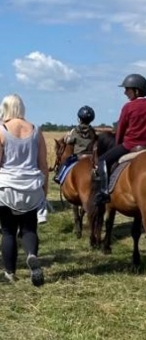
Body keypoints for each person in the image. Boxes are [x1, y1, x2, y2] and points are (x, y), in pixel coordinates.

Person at [0, 94, 48, 286]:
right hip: (31, 188)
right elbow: (43, 164)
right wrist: (45, 190)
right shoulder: (36, 130)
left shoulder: (2, 130)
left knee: (8, 231)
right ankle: (31, 255)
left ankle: (10, 272)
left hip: (7, 188)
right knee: (29, 228)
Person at [92, 73, 146, 205]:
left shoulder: (128, 107)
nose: (125, 92)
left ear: (136, 90)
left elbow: (121, 128)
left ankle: (104, 192)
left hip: (131, 145)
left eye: (127, 89)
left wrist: (117, 144)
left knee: (102, 160)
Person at [52, 105, 97, 184]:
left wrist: (67, 137)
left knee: (66, 163)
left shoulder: (75, 131)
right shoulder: (92, 131)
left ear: (79, 119)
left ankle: (59, 176)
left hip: (78, 156)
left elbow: (69, 141)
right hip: (91, 156)